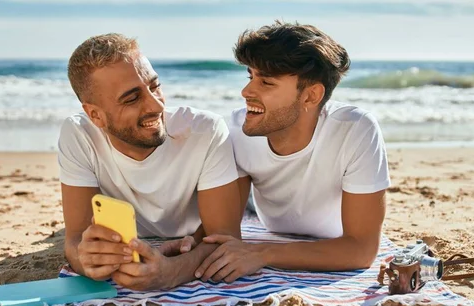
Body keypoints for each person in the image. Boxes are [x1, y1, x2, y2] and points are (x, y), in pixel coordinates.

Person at [195, 21, 391, 283]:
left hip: (327, 235)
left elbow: (361, 250)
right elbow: (225, 236)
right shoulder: (234, 130)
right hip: (263, 211)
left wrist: (263, 253)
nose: (246, 91)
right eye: (250, 76)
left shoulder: (355, 130)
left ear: (310, 96)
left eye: (266, 82)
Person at [59, 33, 241, 290]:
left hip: (193, 235)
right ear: (95, 116)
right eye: (132, 98)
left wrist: (173, 271)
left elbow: (227, 238)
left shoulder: (205, 131)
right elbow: (75, 240)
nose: (156, 106)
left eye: (154, 86)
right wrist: (86, 260)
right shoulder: (79, 134)